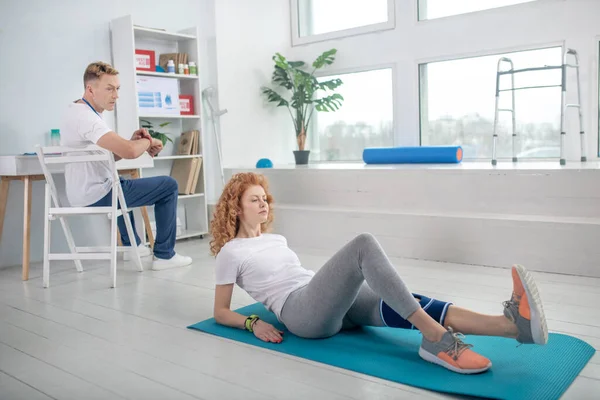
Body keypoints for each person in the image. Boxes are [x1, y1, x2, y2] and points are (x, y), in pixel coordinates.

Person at [210, 172, 548, 375]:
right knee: (363, 245)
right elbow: (220, 312)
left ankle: (512, 327)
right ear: (236, 208)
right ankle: (434, 337)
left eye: (264, 198)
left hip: (323, 297)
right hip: (302, 314)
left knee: (406, 300)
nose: (264, 204)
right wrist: (254, 323)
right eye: (254, 200)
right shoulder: (231, 252)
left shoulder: (276, 238)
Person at [60, 61, 192, 270]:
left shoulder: (80, 110)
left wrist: (131, 141)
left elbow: (112, 156)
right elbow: (129, 152)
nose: (116, 95)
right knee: (169, 186)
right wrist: (150, 141)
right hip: (95, 194)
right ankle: (165, 256)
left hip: (86, 192)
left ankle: (134, 246)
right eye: (109, 89)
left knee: (121, 182)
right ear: (90, 89)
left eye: (117, 89)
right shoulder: (87, 118)